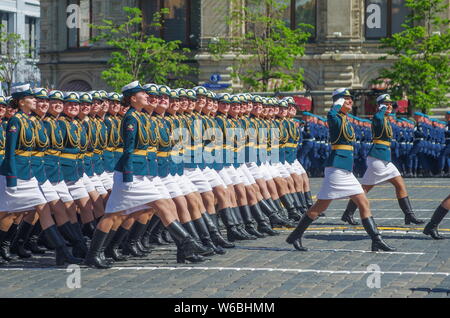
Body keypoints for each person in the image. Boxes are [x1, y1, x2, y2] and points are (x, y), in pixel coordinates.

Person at [286, 88, 396, 252]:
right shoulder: (335, 117)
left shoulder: (344, 118)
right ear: (338, 102)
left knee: (358, 202)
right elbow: (330, 115)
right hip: (337, 168)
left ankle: (376, 239)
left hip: (344, 169)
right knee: (320, 207)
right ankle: (295, 236)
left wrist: (341, 104)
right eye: (346, 99)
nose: (350, 101)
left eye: (351, 99)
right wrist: (336, 105)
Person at [0, 84, 83, 266]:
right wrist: (12, 178)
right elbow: (10, 152)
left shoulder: (31, 121)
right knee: (6, 214)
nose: (35, 100)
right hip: (16, 175)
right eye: (31, 98)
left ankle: (63, 252)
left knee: (44, 209)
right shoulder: (16, 121)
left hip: (30, 174)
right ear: (22, 102)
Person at [340, 94, 424, 226]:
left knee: (367, 189)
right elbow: (378, 117)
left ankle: (347, 214)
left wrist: (386, 109)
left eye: (390, 104)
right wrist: (383, 109)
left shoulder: (385, 118)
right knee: (396, 184)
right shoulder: (379, 117)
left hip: (382, 158)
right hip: (378, 158)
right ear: (381, 105)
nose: (390, 106)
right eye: (387, 103)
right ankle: (409, 215)